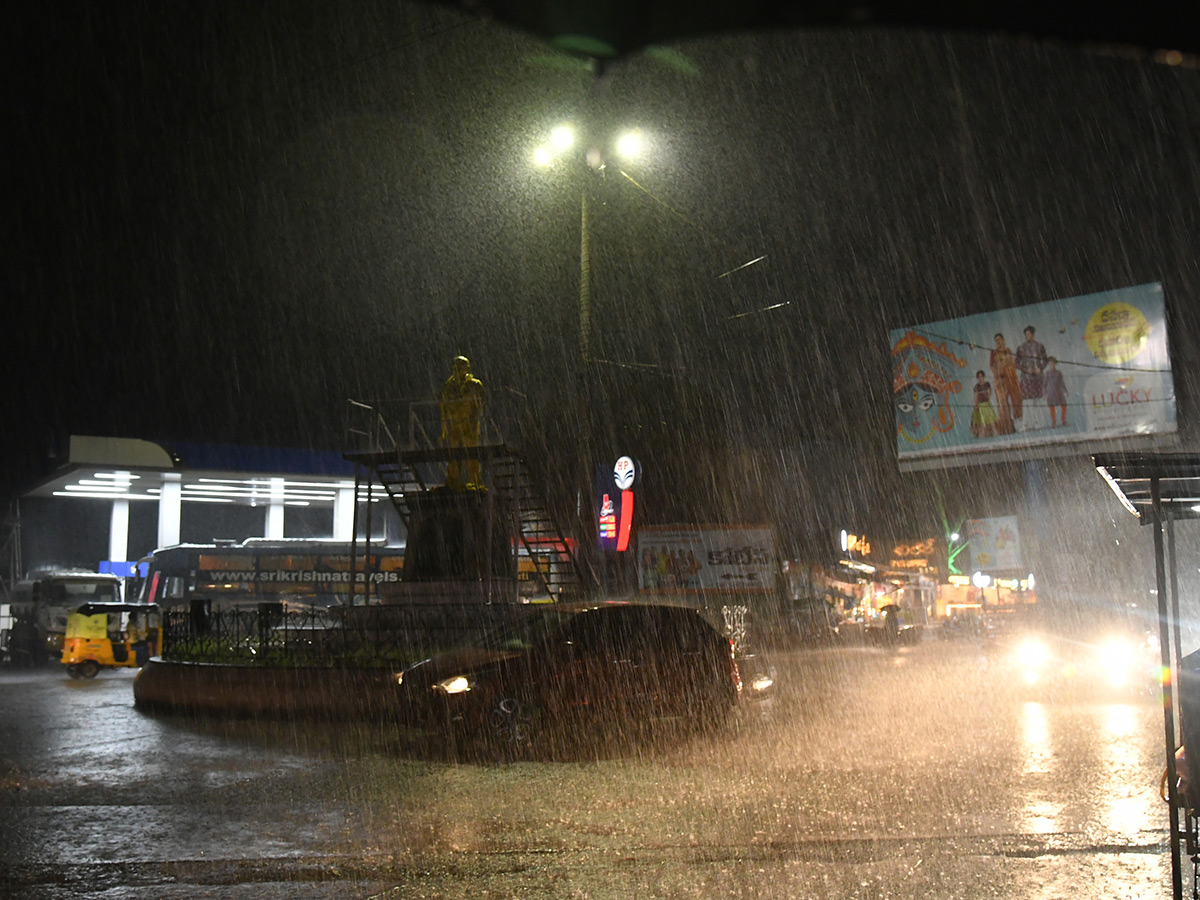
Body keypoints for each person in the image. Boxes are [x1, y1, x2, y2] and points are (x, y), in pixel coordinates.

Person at [439, 355, 485, 490]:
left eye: (460, 368)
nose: (457, 371)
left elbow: (480, 405)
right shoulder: (449, 386)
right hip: (454, 426)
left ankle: (475, 483)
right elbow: (444, 407)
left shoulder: (474, 385)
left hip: (469, 425)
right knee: (453, 458)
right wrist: (444, 430)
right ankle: (453, 482)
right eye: (456, 368)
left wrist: (475, 423)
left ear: (466, 369)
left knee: (472, 457)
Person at [1014, 325, 1048, 431]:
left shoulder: (1040, 346)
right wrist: (1025, 369)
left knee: (1036, 401)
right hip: (1026, 378)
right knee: (1026, 402)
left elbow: (1045, 360)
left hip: (1037, 377)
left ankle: (1037, 422)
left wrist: (1040, 368)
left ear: (1033, 334)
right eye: (1026, 334)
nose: (1027, 336)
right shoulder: (1021, 348)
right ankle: (1025, 424)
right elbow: (1016, 363)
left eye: (1029, 334)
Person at [989, 333, 1021, 434]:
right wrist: (1000, 372)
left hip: (1011, 378)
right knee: (1003, 404)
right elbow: (992, 367)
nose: (998, 342)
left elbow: (1014, 364)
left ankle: (1020, 424)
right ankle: (1005, 428)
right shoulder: (993, 353)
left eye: (999, 340)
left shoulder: (1008, 351)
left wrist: (1008, 369)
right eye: (996, 341)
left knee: (1016, 399)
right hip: (1000, 381)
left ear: (1003, 340)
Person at [971, 370, 998, 438]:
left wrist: (989, 395)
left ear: (983, 377)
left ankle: (994, 431)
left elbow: (990, 389)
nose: (980, 378)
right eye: (979, 377)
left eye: (981, 376)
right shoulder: (976, 386)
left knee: (990, 418)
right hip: (981, 405)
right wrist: (976, 404)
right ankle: (982, 433)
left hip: (987, 403)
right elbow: (976, 396)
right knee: (982, 420)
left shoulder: (987, 384)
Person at [1043, 356, 1068, 426]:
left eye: (1053, 363)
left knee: (1064, 405)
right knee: (1052, 407)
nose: (1051, 365)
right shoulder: (1047, 374)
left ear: (1055, 364)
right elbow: (1044, 384)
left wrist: (1065, 391)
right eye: (1050, 363)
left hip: (1059, 391)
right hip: (1050, 392)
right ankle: (1053, 422)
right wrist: (1044, 394)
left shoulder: (1058, 373)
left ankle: (1063, 420)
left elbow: (1062, 382)